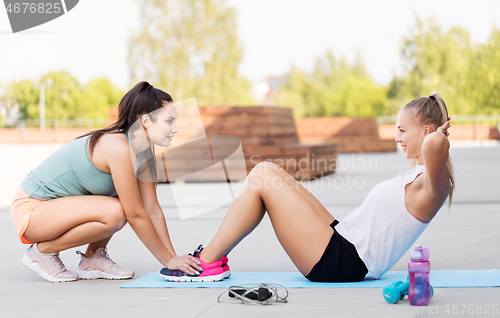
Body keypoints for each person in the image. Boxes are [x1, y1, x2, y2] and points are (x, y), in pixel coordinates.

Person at [160, 93, 454, 282]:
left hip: (345, 262)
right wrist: (430, 135)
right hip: (341, 240)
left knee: (262, 175)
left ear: (427, 132)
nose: (397, 139)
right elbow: (432, 146)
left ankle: (207, 262)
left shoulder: (433, 187)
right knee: (270, 169)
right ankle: (213, 257)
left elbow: (437, 146)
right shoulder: (417, 177)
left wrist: (437, 135)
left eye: (402, 131)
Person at [10, 81, 215, 283]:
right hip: (32, 211)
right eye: (169, 121)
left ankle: (93, 258)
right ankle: (42, 252)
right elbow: (135, 214)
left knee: (119, 204)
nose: (175, 129)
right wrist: (169, 260)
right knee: (118, 211)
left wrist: (174, 259)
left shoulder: (143, 152)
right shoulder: (117, 147)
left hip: (56, 212)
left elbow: (152, 209)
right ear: (146, 121)